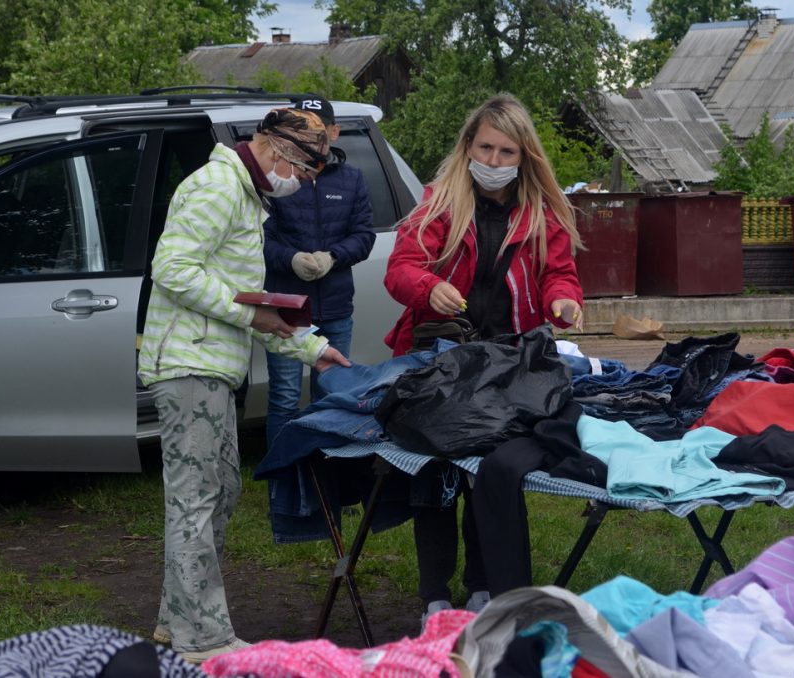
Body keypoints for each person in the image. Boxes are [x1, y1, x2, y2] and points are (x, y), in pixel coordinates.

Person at [137, 107, 352, 664]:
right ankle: (201, 641)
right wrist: (248, 315)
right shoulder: (217, 188)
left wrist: (313, 348)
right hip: (188, 367)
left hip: (209, 366)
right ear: (281, 154)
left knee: (219, 491)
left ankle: (175, 620)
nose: (302, 186)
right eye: (305, 174)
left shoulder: (242, 194)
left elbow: (252, 306)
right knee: (196, 499)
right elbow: (173, 269)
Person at [381, 93, 584, 625]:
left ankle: (483, 586)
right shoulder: (437, 204)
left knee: (490, 477)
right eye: (485, 148)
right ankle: (433, 595)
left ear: (526, 158)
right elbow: (400, 270)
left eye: (506, 152)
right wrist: (428, 286)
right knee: (435, 477)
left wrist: (565, 300)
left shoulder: (543, 212)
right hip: (437, 357)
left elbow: (559, 274)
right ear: (468, 144)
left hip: (508, 364)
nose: (493, 162)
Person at [262, 95, 375, 448]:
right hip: (288, 307)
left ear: (334, 132)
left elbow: (364, 235)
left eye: (317, 131)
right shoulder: (274, 179)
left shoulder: (352, 178)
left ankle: (324, 481)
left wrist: (333, 257)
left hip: (337, 307)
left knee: (331, 397)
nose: (309, 142)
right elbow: (259, 240)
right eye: (301, 131)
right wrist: (292, 259)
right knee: (284, 397)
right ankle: (282, 486)